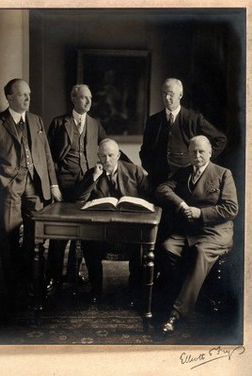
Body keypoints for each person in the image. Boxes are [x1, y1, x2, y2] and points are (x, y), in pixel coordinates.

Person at [0, 78, 62, 303]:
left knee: (34, 236)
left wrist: (53, 185)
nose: (28, 98)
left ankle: (32, 282)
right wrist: (0, 180)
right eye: (22, 94)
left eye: (29, 94)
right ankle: (13, 290)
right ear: (9, 97)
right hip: (9, 187)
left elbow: (46, 156)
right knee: (9, 238)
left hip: (35, 185)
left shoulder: (36, 121)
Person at [155, 135, 238, 335]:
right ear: (189, 153)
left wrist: (200, 213)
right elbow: (162, 189)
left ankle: (176, 313)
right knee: (167, 247)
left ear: (210, 152)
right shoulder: (183, 173)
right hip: (189, 231)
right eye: (193, 152)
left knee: (201, 253)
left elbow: (231, 209)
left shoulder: (223, 174)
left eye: (201, 151)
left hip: (215, 232)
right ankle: (185, 292)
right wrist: (182, 204)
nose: (197, 155)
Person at [45, 84, 107, 292]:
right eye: (83, 98)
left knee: (82, 231)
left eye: (90, 98)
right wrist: (53, 185)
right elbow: (48, 158)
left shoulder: (95, 124)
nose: (88, 102)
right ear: (73, 99)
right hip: (64, 185)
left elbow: (108, 147)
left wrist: (128, 167)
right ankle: (53, 277)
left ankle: (73, 273)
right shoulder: (58, 123)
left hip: (87, 186)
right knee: (59, 233)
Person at [76, 138, 152, 304]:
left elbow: (150, 199)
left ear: (118, 155)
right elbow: (80, 200)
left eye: (111, 155)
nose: (107, 160)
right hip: (103, 229)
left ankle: (134, 290)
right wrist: (93, 179)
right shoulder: (93, 173)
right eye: (103, 156)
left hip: (130, 227)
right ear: (98, 156)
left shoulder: (134, 171)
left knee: (140, 245)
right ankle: (96, 289)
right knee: (88, 241)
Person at [139, 78, 227, 187]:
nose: (167, 98)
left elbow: (220, 139)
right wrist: (152, 170)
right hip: (158, 180)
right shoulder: (153, 121)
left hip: (186, 180)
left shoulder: (194, 119)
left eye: (171, 94)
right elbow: (145, 151)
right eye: (164, 93)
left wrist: (203, 159)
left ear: (180, 95)